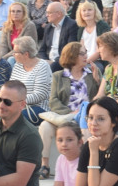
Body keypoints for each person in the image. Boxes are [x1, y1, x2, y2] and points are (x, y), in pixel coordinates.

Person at [39, 42, 99, 177]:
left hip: (84, 118)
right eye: (82, 53)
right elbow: (53, 101)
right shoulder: (58, 76)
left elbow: (100, 97)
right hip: (64, 117)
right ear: (72, 56)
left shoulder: (92, 73)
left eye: (86, 52)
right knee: (45, 126)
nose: (86, 56)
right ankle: (45, 165)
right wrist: (69, 113)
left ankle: (85, 166)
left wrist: (98, 80)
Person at [82, 32, 118, 132]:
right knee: (86, 108)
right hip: (111, 112)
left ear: (111, 46)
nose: (98, 50)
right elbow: (100, 94)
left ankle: (87, 145)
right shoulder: (108, 68)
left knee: (90, 119)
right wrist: (93, 108)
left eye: (100, 46)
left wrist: (108, 110)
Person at [9, 36, 52, 121]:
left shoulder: (42, 66)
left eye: (15, 52)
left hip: (38, 108)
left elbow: (40, 95)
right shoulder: (18, 65)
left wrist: (17, 101)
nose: (13, 54)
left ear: (26, 54)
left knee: (12, 119)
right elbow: (11, 87)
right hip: (17, 106)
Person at [39, 1, 79, 70]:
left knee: (51, 67)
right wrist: (45, 61)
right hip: (48, 61)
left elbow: (70, 50)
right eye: (47, 12)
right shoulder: (48, 27)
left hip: (63, 61)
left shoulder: (71, 25)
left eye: (49, 13)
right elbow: (42, 50)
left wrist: (53, 62)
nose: (47, 15)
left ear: (58, 14)